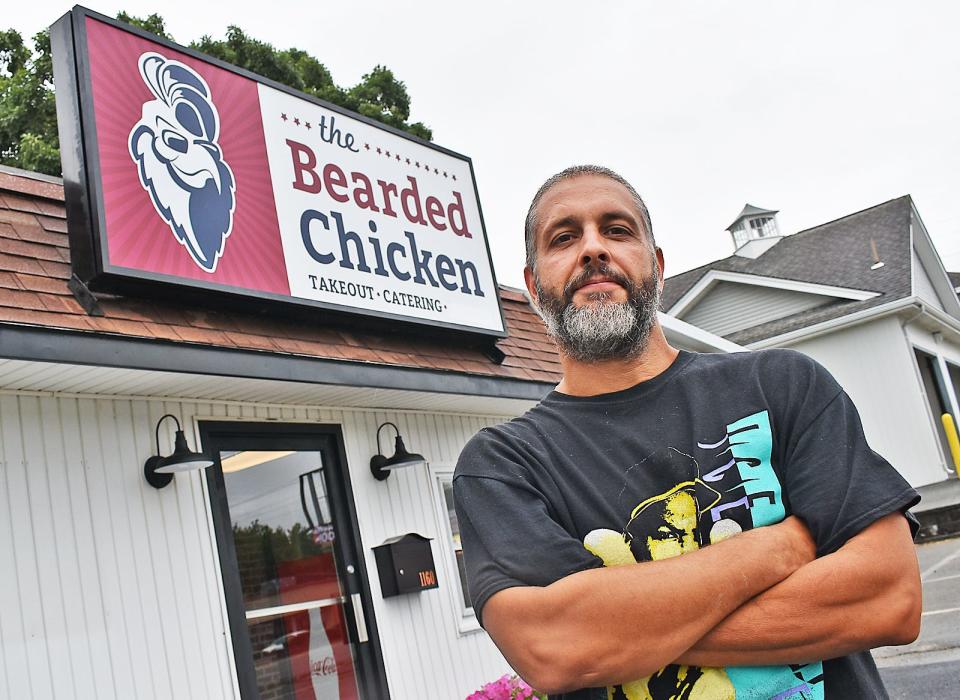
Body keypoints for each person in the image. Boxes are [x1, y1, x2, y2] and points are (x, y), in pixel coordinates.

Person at [453, 165, 922, 700]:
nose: (592, 250)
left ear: (655, 265)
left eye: (617, 230)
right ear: (534, 286)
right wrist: (784, 546)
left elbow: (889, 598)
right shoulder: (503, 464)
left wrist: (622, 630)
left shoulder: (781, 386)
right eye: (564, 238)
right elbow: (555, 647)